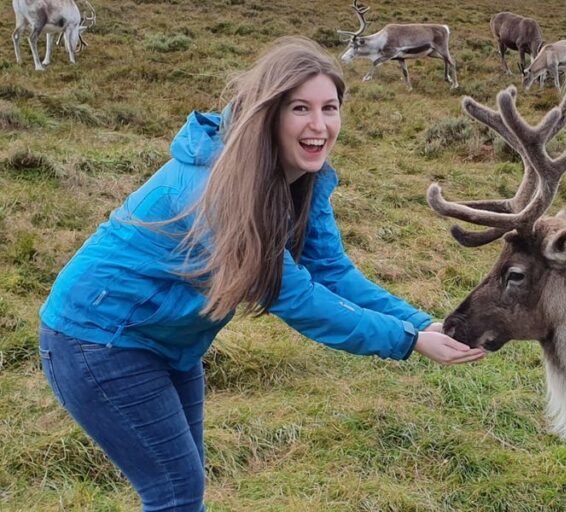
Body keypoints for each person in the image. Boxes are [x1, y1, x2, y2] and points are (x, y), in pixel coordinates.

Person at [37, 36, 485, 512]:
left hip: (168, 340)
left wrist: (417, 322)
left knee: (183, 489)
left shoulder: (302, 177)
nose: (319, 125)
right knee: (175, 493)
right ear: (267, 113)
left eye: (329, 108)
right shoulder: (218, 188)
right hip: (97, 341)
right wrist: (407, 340)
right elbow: (294, 296)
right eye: (299, 108)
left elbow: (331, 270)